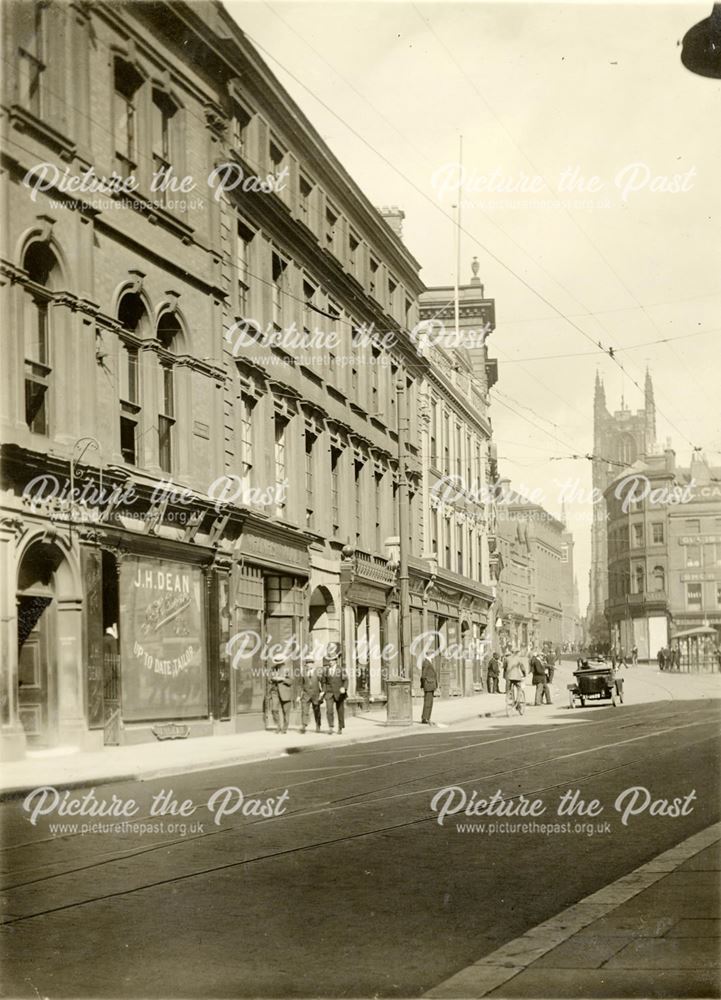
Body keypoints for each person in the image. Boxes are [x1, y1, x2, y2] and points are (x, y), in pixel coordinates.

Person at [321, 642, 348, 735]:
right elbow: (324, 682)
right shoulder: (326, 670)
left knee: (340, 710)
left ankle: (340, 727)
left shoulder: (341, 669)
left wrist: (344, 688)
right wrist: (323, 691)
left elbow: (346, 680)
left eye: (332, 660)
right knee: (329, 710)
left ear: (336, 661)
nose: (330, 662)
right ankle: (331, 727)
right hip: (329, 693)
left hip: (339, 693)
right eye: (329, 660)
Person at [269, 652, 293, 734]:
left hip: (285, 692)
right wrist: (272, 679)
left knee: (286, 711)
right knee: (274, 709)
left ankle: (285, 728)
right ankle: (278, 726)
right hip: (275, 692)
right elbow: (269, 679)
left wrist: (282, 679)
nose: (278, 664)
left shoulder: (288, 669)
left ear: (282, 661)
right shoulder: (272, 669)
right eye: (277, 662)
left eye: (280, 662)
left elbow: (291, 681)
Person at [299, 655, 324, 734]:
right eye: (307, 663)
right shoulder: (303, 673)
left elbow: (323, 682)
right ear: (306, 664)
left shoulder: (317, 672)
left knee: (316, 710)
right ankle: (304, 725)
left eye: (310, 663)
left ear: (313, 664)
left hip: (315, 694)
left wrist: (322, 692)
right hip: (306, 694)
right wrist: (299, 695)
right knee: (304, 710)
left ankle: (318, 725)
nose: (309, 665)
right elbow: (300, 684)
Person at [420, 657, 438, 724]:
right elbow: (423, 676)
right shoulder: (426, 662)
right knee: (428, 702)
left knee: (429, 703)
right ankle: (425, 718)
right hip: (428, 685)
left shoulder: (428, 662)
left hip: (430, 685)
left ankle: (427, 717)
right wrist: (423, 685)